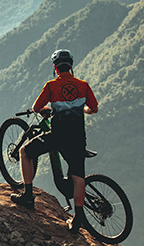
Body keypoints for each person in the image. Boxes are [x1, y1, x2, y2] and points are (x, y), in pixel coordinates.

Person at [10, 49, 99, 232]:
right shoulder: (83, 85)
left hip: (58, 136)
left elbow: (36, 107)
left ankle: (27, 195)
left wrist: (45, 108)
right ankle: (78, 218)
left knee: (25, 152)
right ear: (71, 66)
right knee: (77, 177)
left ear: (55, 68)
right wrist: (81, 109)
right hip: (78, 138)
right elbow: (93, 109)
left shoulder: (51, 86)